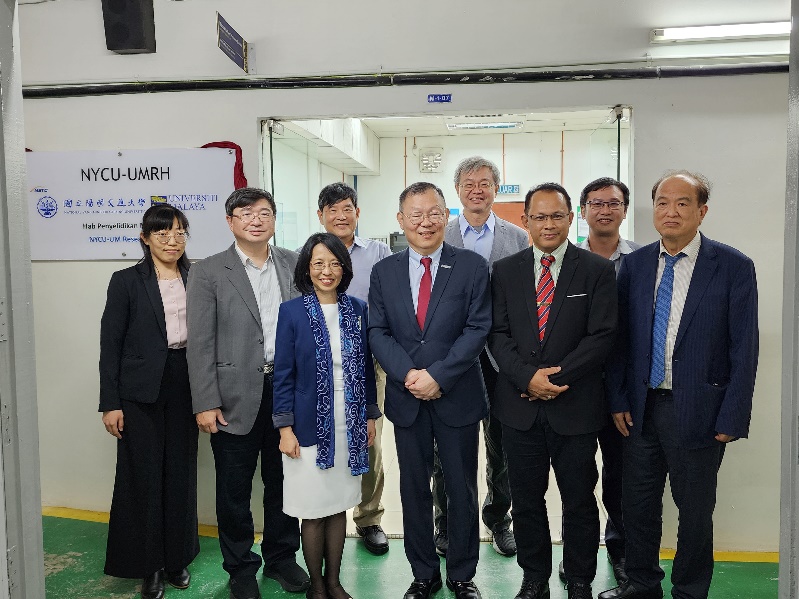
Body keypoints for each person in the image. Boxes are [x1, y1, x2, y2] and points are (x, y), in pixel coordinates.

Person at [599, 171, 759, 599]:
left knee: (694, 513)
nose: (670, 211)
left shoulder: (733, 267)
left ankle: (689, 589)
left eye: (683, 203)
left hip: (701, 412)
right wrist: (616, 398)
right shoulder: (634, 264)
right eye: (663, 203)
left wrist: (732, 415)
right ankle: (642, 584)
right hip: (639, 408)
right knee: (638, 506)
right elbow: (619, 343)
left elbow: (745, 348)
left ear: (701, 211)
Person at [489, 183, 618, 599]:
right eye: (539, 216)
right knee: (526, 501)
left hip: (576, 407)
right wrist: (527, 378)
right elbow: (497, 334)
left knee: (579, 500)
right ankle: (535, 577)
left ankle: (580, 578)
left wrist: (554, 379)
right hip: (519, 408)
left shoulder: (596, 270)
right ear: (524, 221)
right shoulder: (505, 271)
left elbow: (602, 337)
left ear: (571, 218)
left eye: (557, 216)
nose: (548, 224)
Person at [369, 182, 491, 599]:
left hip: (456, 394)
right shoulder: (384, 271)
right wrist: (409, 376)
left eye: (433, 213)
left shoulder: (472, 266)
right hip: (407, 398)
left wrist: (439, 375)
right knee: (414, 489)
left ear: (446, 215)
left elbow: (478, 328)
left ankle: (462, 573)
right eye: (415, 215)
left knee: (461, 488)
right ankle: (423, 573)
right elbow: (378, 331)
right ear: (400, 220)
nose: (425, 222)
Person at [187, 188, 309, 599]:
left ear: (274, 219)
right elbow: (200, 342)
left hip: (286, 391)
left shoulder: (294, 263)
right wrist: (205, 401)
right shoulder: (208, 271)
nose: (255, 219)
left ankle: (281, 559)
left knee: (283, 482)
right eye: (245, 213)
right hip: (232, 396)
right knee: (234, 489)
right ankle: (240, 567)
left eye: (264, 212)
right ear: (230, 222)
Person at [273, 232, 381, 599]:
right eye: (318, 263)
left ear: (344, 268)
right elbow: (283, 374)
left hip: (347, 423)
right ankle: (316, 585)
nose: (327, 270)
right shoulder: (292, 312)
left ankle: (334, 581)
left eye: (334, 263)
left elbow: (366, 367)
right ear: (307, 268)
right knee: (313, 509)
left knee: (337, 507)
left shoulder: (357, 309)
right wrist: (284, 427)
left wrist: (369, 416)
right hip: (305, 426)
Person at [99, 203, 199, 599]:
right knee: (142, 476)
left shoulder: (199, 276)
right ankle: (150, 565)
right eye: (162, 233)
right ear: (145, 238)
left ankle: (177, 558)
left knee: (180, 472)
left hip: (186, 383)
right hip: (139, 391)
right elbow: (111, 345)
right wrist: (111, 402)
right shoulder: (125, 281)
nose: (171, 240)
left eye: (178, 232)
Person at [432, 156, 528, 558]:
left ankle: (498, 518)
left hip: (501, 358)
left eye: (485, 183)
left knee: (501, 446)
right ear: (457, 190)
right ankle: (448, 523)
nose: (477, 189)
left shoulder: (518, 237)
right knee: (448, 446)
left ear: (495, 189)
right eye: (469, 183)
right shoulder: (440, 234)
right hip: (453, 357)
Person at [557, 177, 641, 585]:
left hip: (622, 388)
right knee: (575, 481)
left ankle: (620, 551)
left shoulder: (643, 261)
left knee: (620, 479)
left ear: (625, 209)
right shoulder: (562, 262)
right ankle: (576, 559)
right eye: (596, 203)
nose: (604, 210)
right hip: (573, 386)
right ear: (583, 211)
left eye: (613, 203)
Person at [315, 182, 392, 556]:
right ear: (321, 216)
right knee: (327, 435)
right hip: (322, 361)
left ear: (357, 213)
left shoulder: (379, 252)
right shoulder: (311, 254)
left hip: (367, 357)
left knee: (368, 438)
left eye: (347, 208)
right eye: (332, 210)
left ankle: (369, 518)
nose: (340, 216)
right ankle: (328, 513)